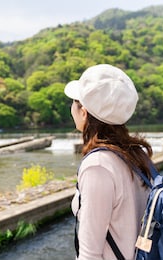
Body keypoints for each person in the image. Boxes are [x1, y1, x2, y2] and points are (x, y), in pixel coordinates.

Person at [65, 64, 154, 260]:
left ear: (84, 112)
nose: (71, 107)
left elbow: (90, 254)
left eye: (74, 102)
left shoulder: (97, 166)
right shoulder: (136, 154)